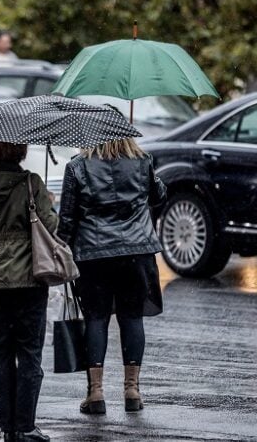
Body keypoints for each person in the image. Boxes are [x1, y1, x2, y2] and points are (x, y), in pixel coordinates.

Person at [56, 137, 166, 415]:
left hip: (93, 254)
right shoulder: (142, 162)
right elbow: (158, 197)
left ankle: (96, 394)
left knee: (96, 318)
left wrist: (60, 250)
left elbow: (67, 217)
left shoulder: (77, 167)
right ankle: (132, 390)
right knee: (132, 316)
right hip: (136, 252)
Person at [0, 141, 56, 442]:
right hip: (30, 278)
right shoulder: (32, 183)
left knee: (2, 350)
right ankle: (26, 426)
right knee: (29, 353)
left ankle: (8, 427)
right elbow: (51, 226)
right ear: (22, 151)